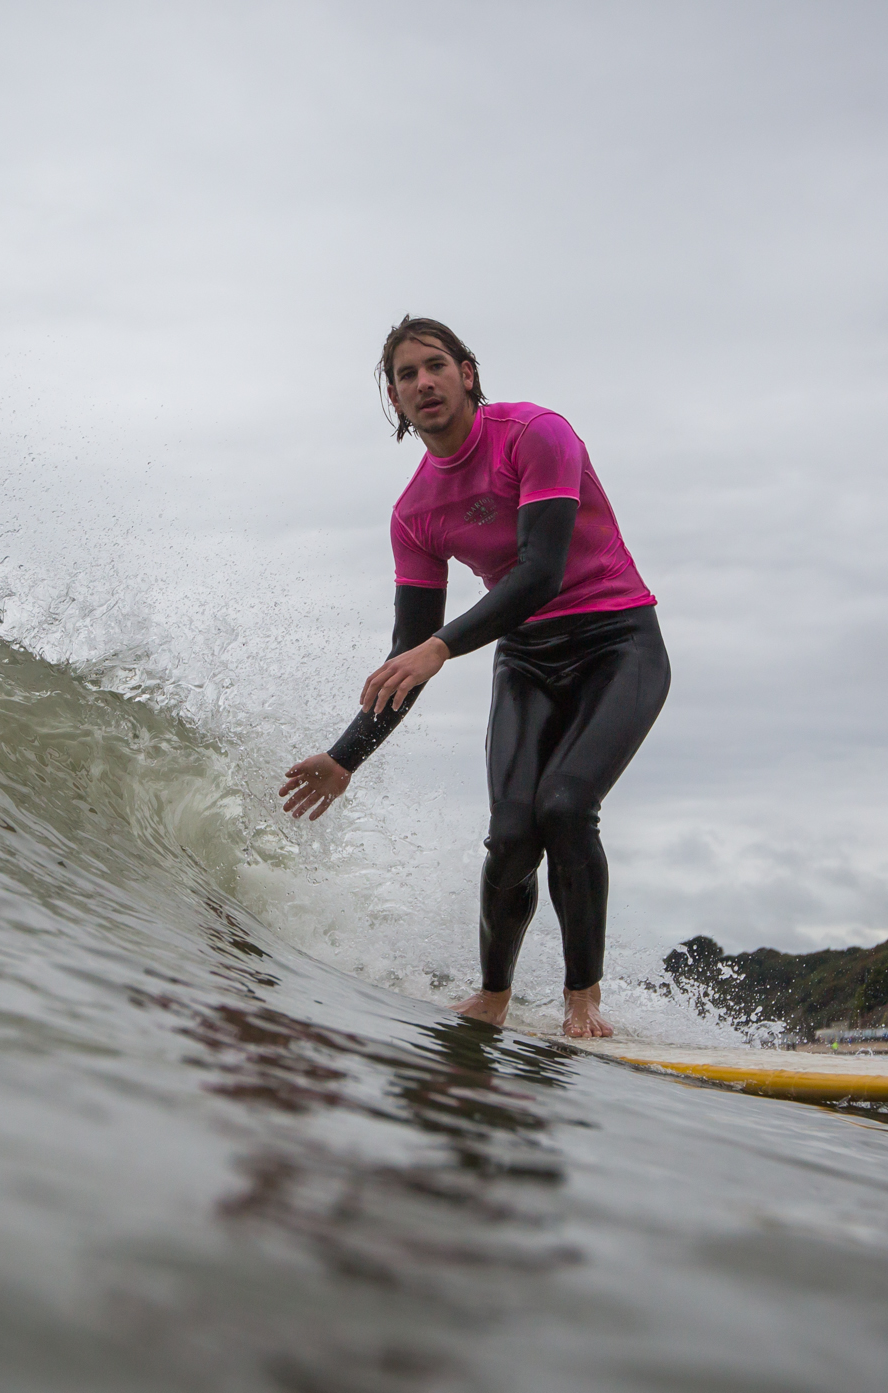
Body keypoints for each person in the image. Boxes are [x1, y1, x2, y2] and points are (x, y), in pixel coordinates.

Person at [277, 317, 669, 1039]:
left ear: (467, 373)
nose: (423, 382)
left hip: (619, 643)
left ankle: (583, 999)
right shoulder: (414, 513)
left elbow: (541, 572)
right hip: (528, 660)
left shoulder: (536, 435)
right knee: (512, 833)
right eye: (406, 375)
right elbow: (409, 655)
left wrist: (442, 647)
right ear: (394, 398)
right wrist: (345, 756)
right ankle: (492, 997)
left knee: (565, 806)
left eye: (435, 365)